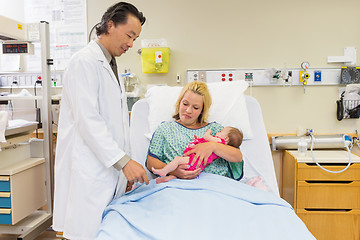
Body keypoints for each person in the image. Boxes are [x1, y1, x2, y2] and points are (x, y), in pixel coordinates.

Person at [52, 2, 149, 239]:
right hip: (88, 169)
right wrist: (123, 163)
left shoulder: (110, 64)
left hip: (106, 169)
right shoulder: (84, 61)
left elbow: (115, 125)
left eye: (135, 39)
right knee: (84, 231)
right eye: (129, 35)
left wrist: (123, 166)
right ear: (110, 25)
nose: (130, 44)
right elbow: (88, 120)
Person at [146, 81, 244, 182]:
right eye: (185, 104)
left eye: (195, 107)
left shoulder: (216, 130)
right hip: (178, 185)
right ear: (179, 102)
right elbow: (151, 162)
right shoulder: (165, 129)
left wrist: (213, 146)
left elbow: (238, 156)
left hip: (216, 185)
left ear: (202, 110)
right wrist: (174, 171)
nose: (188, 110)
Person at [152, 126, 243, 182]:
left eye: (220, 131)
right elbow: (204, 142)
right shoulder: (218, 142)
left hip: (193, 162)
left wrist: (208, 132)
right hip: (196, 166)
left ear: (226, 138)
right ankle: (166, 179)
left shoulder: (220, 142)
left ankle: (164, 171)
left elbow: (206, 137)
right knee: (177, 175)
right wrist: (198, 140)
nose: (218, 132)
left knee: (177, 160)